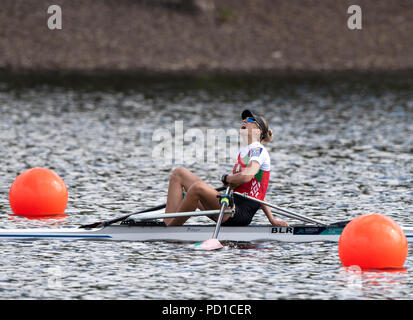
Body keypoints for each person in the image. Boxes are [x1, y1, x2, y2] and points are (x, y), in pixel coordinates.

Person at [163, 109, 288, 227]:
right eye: (244, 120)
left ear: (259, 131)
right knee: (178, 173)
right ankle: (167, 223)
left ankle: (171, 229)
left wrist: (228, 178)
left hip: (239, 213)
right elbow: (260, 192)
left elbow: (247, 176)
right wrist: (271, 219)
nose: (244, 121)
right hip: (228, 205)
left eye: (250, 121)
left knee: (197, 187)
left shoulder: (258, 150)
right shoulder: (243, 152)